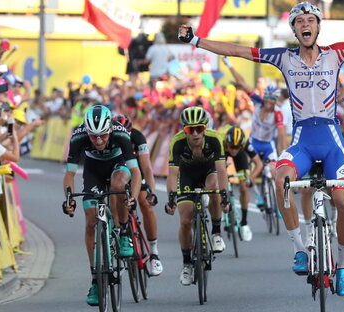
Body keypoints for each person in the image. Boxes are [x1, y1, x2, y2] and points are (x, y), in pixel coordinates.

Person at [178, 2, 344, 296]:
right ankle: (299, 249)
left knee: (342, 202)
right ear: (294, 29)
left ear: (317, 26)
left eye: (310, 20)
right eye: (299, 21)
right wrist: (195, 40)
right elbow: (236, 50)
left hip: (330, 139)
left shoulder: (336, 53)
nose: (305, 24)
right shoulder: (283, 57)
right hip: (302, 140)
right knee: (281, 181)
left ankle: (342, 265)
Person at [62, 105, 142, 306]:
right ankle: (96, 281)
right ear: (87, 132)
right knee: (90, 221)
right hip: (94, 170)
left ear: (110, 130)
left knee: (117, 185)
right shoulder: (78, 136)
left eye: (103, 136)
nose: (98, 141)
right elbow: (70, 174)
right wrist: (69, 199)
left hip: (119, 164)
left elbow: (137, 172)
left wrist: (132, 196)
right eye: (93, 136)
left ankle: (124, 232)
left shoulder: (121, 134)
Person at [164, 106, 230, 286]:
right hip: (187, 175)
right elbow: (172, 174)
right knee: (185, 220)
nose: (194, 134)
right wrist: (171, 198)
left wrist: (225, 197)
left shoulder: (215, 139)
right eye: (189, 129)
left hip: (208, 171)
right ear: (184, 130)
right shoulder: (177, 142)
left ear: (205, 128)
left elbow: (222, 170)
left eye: (199, 129)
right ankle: (186, 264)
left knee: (215, 187)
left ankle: (216, 232)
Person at [112, 115, 163, 276]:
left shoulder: (138, 137)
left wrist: (152, 192)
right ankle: (120, 235)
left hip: (135, 172)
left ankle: (154, 252)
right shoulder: (110, 137)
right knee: (114, 197)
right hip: (117, 172)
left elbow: (147, 168)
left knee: (145, 203)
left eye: (126, 133)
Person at [222, 56, 286, 162]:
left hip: (268, 145)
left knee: (273, 171)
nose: (269, 100)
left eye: (272, 98)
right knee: (245, 163)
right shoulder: (257, 101)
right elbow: (242, 83)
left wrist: (283, 152)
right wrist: (229, 65)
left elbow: (281, 134)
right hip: (253, 141)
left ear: (276, 100)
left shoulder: (277, 112)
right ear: (264, 96)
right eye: (267, 97)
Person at [223, 126, 263, 241]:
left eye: (237, 147)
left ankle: (244, 222)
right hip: (222, 155)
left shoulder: (245, 144)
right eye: (232, 147)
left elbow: (259, 164)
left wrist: (251, 177)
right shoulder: (221, 144)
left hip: (241, 158)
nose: (234, 150)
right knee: (220, 181)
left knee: (244, 186)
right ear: (227, 143)